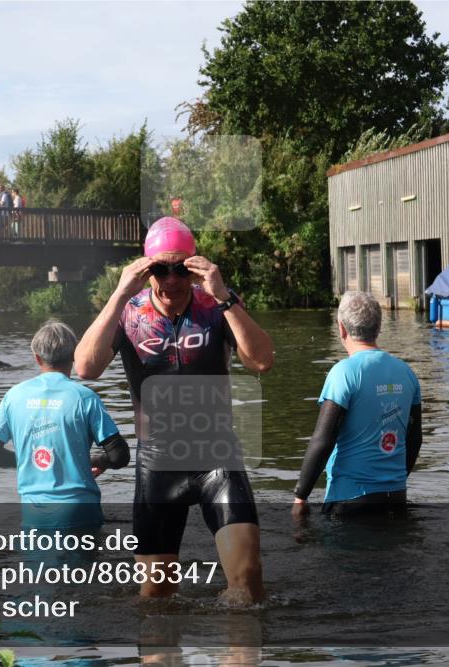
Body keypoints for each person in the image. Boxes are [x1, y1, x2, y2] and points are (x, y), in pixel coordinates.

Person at [75, 216, 274, 604]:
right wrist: (117, 296)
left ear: (194, 266)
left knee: (247, 582)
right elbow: (85, 368)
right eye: (160, 269)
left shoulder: (217, 305)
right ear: (147, 269)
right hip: (158, 464)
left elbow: (262, 361)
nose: (170, 280)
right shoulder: (129, 312)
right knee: (156, 596)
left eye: (180, 268)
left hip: (216, 454)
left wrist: (226, 298)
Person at [0, 320, 130, 530]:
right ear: (73, 356)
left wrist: (27, 462)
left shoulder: (13, 396)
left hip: (34, 514)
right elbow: (119, 455)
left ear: (37, 358)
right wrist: (99, 461)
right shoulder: (84, 398)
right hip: (80, 510)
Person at [291, 291, 422, 519]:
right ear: (379, 327)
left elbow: (323, 440)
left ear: (341, 328)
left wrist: (300, 497)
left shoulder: (344, 372)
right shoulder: (407, 373)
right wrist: (394, 481)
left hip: (350, 501)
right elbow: (415, 439)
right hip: (396, 499)